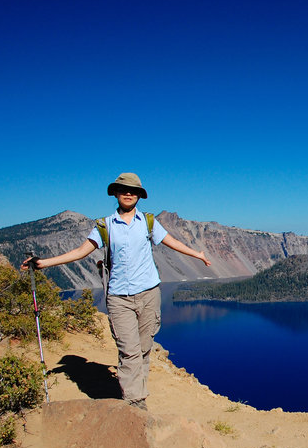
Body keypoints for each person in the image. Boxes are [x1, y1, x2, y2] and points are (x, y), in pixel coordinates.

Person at [22, 173, 210, 410]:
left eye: (133, 190)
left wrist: (198, 255)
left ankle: (137, 392)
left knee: (143, 349)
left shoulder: (149, 222)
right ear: (116, 193)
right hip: (119, 297)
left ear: (139, 195)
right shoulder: (105, 226)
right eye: (123, 189)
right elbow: (81, 251)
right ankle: (135, 401)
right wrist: (44, 263)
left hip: (149, 294)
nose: (128, 193)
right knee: (129, 351)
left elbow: (172, 242)